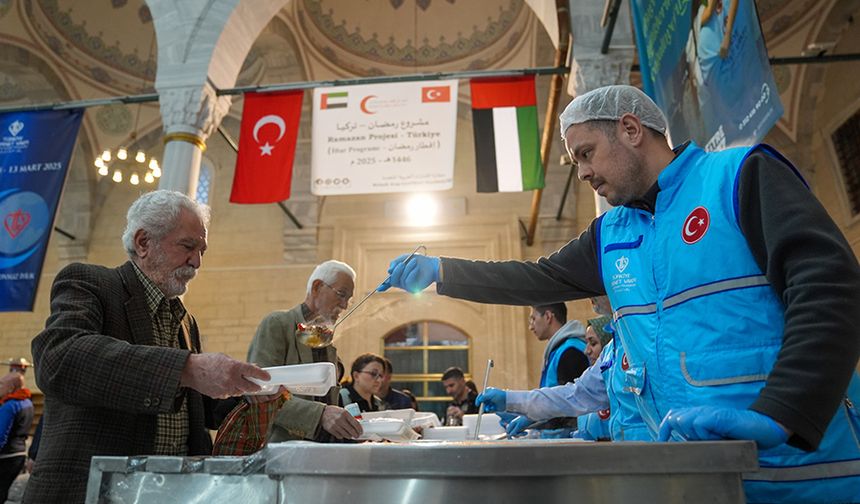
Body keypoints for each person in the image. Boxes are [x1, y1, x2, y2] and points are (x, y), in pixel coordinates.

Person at [381, 85, 860, 503]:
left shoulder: (738, 176)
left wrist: (782, 413)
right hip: (688, 476)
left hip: (796, 470)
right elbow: (534, 279)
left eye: (586, 153)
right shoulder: (609, 233)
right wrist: (442, 271)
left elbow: (830, 287)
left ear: (631, 129)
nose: (583, 172)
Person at [25, 190, 270, 504]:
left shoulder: (185, 322)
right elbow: (58, 359)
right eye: (188, 246)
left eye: (202, 250)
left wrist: (247, 393)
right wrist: (187, 367)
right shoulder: (91, 284)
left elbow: (193, 405)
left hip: (169, 493)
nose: (197, 261)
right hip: (92, 491)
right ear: (143, 242)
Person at [246, 260, 362, 442]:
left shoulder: (325, 340)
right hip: (280, 449)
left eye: (349, 299)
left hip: (320, 451)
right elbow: (259, 392)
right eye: (341, 294)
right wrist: (320, 414)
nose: (345, 305)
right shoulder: (278, 324)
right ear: (317, 287)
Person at [529, 304, 589, 386]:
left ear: (548, 316)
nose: (530, 327)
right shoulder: (559, 350)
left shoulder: (570, 352)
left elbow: (571, 396)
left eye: (533, 319)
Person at [0, 368, 33, 503]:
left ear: (11, 388)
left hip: (6, 456)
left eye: (1, 384)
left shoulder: (10, 406)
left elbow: (1, 434)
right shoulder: (27, 403)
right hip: (19, 454)